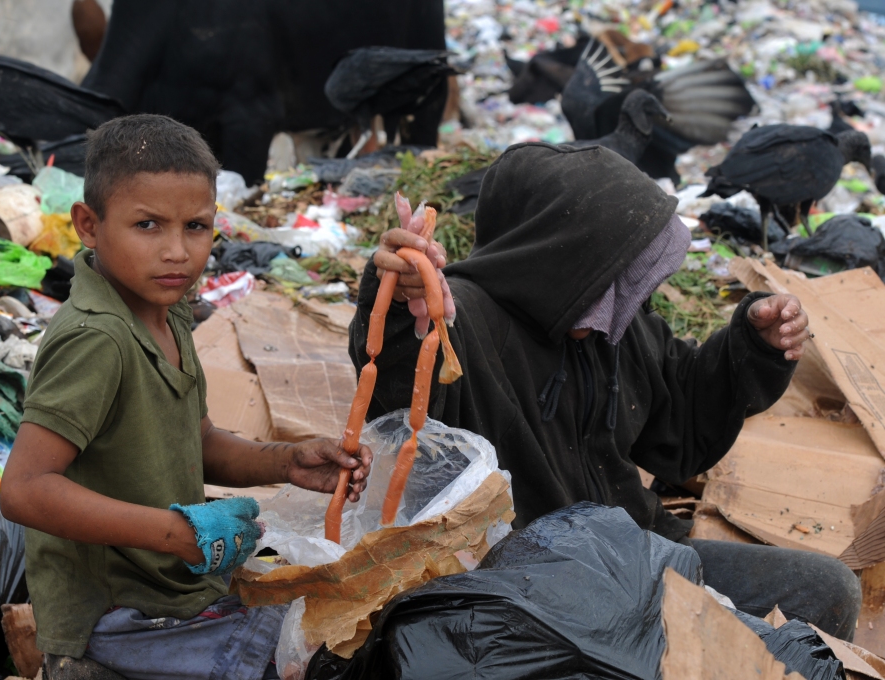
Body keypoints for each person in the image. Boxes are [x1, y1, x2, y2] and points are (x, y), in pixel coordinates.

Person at [349, 142, 861, 640]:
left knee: (825, 589)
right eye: (600, 274)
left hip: (637, 550)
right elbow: (401, 403)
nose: (616, 298)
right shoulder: (463, 317)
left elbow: (682, 423)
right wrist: (399, 302)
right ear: (552, 255)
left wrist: (754, 344)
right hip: (526, 585)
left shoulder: (615, 324)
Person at [0, 114, 373, 680]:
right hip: (116, 619)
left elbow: (195, 440)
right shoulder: (97, 339)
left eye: (195, 227)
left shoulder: (167, 313)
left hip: (173, 588)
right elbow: (25, 491)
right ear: (88, 224)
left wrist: (287, 461)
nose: (177, 251)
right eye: (148, 225)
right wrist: (179, 533)